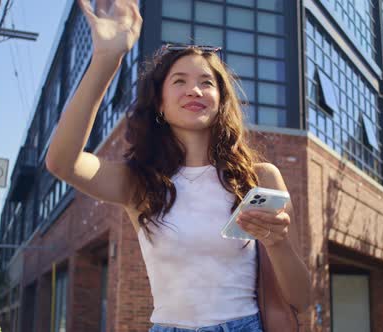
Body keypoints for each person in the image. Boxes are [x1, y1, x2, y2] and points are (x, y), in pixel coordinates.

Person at [45, 0, 311, 331]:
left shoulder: (259, 177)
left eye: (206, 82)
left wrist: (277, 242)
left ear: (220, 100)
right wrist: (107, 58)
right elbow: (61, 162)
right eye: (179, 81)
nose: (194, 90)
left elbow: (301, 296)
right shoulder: (138, 181)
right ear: (159, 103)